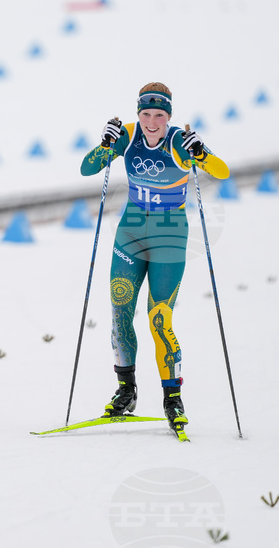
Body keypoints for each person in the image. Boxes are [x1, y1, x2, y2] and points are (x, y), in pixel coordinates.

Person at [80, 82, 229, 436]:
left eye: (158, 115)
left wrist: (202, 152)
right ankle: (126, 390)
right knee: (120, 311)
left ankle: (172, 398)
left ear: (169, 116)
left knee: (159, 319)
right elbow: (87, 169)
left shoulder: (179, 141)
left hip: (169, 237)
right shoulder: (127, 136)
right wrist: (104, 145)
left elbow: (222, 171)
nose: (151, 122)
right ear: (138, 114)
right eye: (145, 114)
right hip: (130, 232)